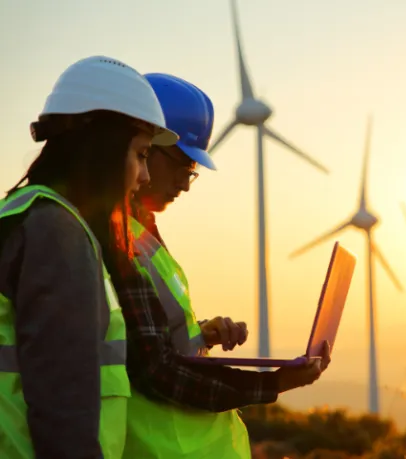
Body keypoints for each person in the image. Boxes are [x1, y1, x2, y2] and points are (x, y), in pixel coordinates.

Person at [111, 73, 331, 459]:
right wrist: (274, 384)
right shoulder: (111, 239)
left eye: (193, 170)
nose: (187, 182)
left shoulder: (143, 234)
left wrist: (200, 334)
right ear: (139, 145)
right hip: (155, 448)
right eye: (182, 163)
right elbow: (152, 368)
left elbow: (146, 335)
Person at [0, 56, 178, 459]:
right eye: (142, 153)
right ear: (104, 147)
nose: (145, 176)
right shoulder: (57, 234)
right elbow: (62, 406)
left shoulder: (19, 215)